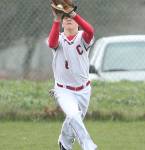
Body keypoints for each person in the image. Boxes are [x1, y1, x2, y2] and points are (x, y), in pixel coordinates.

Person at [48, 5, 97, 150]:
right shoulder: (59, 38)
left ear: (77, 22)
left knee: (74, 119)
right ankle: (88, 146)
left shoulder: (83, 37)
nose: (68, 19)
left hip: (83, 90)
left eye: (71, 18)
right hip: (63, 89)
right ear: (62, 23)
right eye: (65, 18)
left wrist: (72, 13)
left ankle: (64, 143)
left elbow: (90, 30)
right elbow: (52, 43)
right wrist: (57, 18)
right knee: (74, 115)